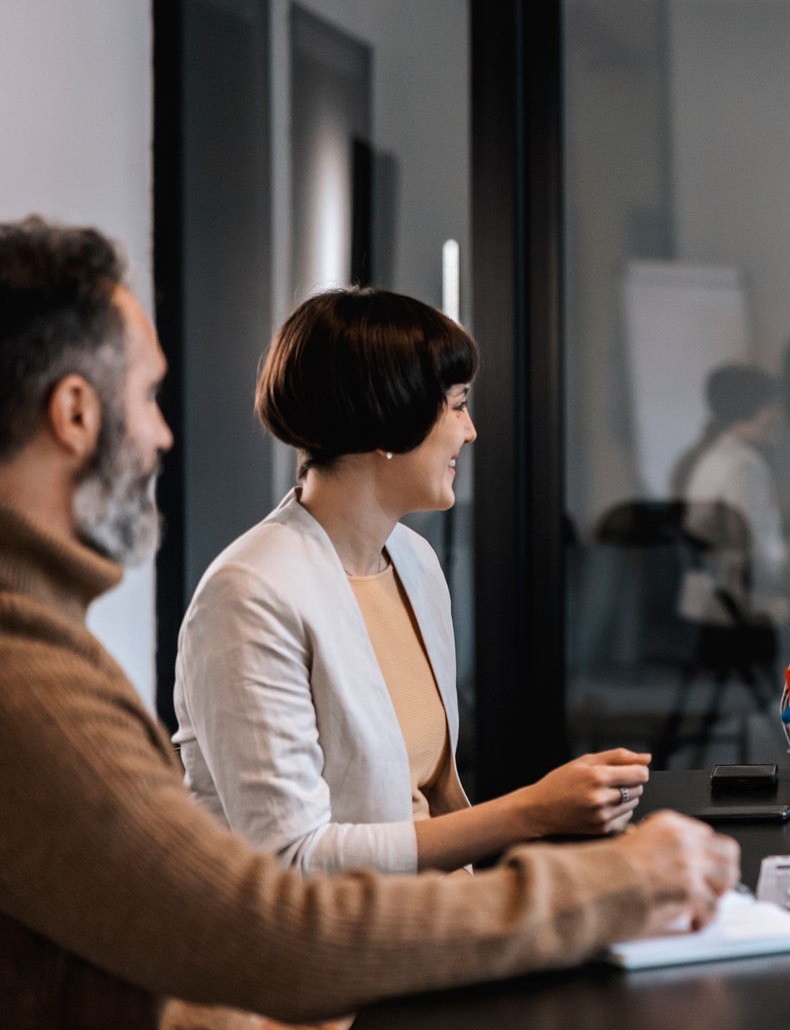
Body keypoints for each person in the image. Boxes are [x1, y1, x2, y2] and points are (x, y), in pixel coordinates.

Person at [0, 218, 739, 1028]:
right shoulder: (47, 672)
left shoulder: (412, 563)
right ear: (73, 412)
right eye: (145, 396)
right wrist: (595, 877)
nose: (163, 432)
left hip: (411, 960)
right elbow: (271, 919)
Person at [171, 289, 656, 876]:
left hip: (432, 921)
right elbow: (294, 860)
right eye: (456, 406)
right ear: (390, 419)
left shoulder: (413, 560)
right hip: (333, 954)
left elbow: (425, 802)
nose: (471, 431)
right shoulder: (247, 596)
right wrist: (531, 812)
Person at [671, 364, 789, 629]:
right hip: (736, 604)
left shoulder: (713, 457)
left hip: (706, 601)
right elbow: (752, 546)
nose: (779, 416)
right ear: (756, 410)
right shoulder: (744, 464)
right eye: (772, 406)